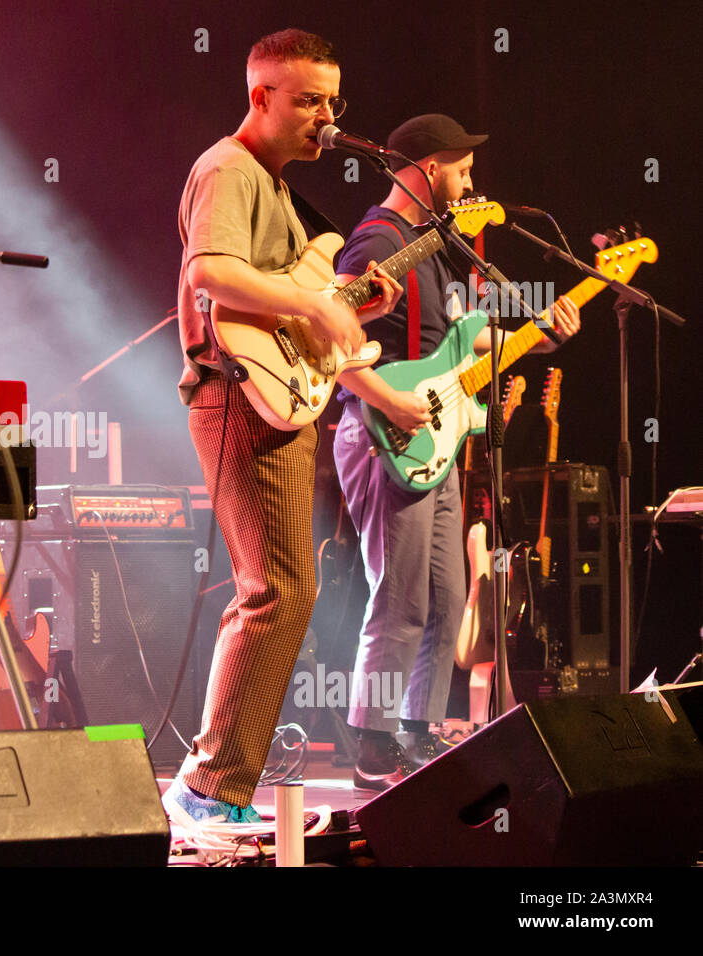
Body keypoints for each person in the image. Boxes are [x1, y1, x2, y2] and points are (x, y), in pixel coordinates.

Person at [163, 29, 401, 829]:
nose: (326, 118)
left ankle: (212, 786)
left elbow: (279, 295)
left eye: (333, 101)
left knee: (283, 592)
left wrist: (352, 305)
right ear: (260, 96)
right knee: (277, 593)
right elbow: (210, 273)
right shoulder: (229, 167)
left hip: (273, 395)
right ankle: (206, 789)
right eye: (307, 101)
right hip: (234, 393)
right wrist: (312, 302)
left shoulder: (275, 185)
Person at [332, 113, 580, 790]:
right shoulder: (377, 244)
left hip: (432, 433)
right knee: (402, 597)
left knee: (445, 596)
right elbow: (330, 350)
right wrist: (390, 400)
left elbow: (463, 342)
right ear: (429, 169)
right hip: (388, 430)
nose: (472, 181)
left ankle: (414, 731)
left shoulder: (437, 246)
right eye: (462, 168)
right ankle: (371, 742)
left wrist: (539, 334)